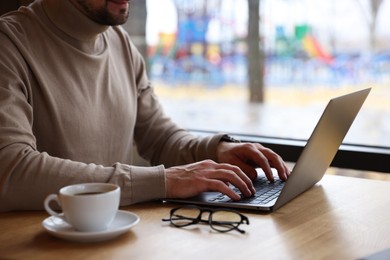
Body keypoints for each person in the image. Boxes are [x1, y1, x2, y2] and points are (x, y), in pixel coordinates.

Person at [0, 0, 290, 212]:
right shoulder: (9, 44)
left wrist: (217, 149)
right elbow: (11, 170)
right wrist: (162, 182)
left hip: (115, 236)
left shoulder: (121, 44)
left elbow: (161, 139)